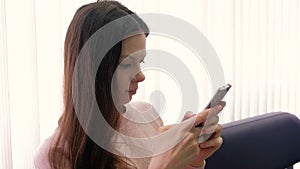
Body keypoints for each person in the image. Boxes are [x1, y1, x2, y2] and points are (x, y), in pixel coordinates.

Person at [34, 1, 225, 169]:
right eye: (126, 64)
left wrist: (193, 160)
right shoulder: (55, 154)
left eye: (140, 62)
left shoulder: (147, 116)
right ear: (92, 71)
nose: (141, 76)